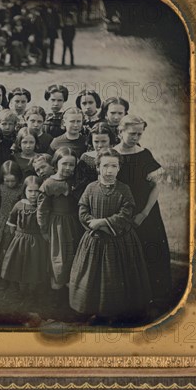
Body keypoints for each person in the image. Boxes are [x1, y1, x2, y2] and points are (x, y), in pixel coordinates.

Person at [69, 148, 152, 324]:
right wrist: (93, 224)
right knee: (93, 276)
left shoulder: (124, 189)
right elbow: (83, 210)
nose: (109, 170)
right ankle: (95, 311)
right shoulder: (91, 188)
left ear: (119, 168)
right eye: (105, 166)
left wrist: (104, 223)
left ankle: (119, 313)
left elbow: (126, 212)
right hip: (95, 240)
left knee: (117, 277)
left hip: (119, 240)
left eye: (114, 166)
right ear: (98, 167)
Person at [114, 115, 172, 315]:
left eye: (139, 133)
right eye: (132, 133)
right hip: (120, 212)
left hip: (145, 212)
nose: (136, 137)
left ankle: (153, 299)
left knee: (150, 249)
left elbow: (156, 187)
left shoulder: (144, 154)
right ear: (120, 132)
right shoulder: (112, 155)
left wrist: (144, 213)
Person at [37, 147, 83, 296]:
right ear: (56, 163)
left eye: (72, 165)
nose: (68, 168)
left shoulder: (75, 181)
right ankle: (57, 293)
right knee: (60, 257)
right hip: (58, 226)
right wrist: (44, 230)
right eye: (64, 164)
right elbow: (42, 210)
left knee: (74, 254)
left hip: (74, 223)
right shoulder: (49, 184)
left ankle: (72, 292)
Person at [1, 176, 50, 297]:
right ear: (24, 191)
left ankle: (33, 290)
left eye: (37, 191)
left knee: (34, 264)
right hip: (20, 241)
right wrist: (11, 241)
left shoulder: (44, 205)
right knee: (20, 264)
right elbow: (11, 223)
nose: (33, 194)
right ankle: (21, 289)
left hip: (38, 242)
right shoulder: (19, 205)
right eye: (30, 191)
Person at [0, 160, 24, 271]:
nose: (10, 184)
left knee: (11, 246)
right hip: (1, 220)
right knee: (0, 246)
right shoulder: (0, 187)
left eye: (13, 181)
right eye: (7, 181)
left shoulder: (22, 188)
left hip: (15, 221)